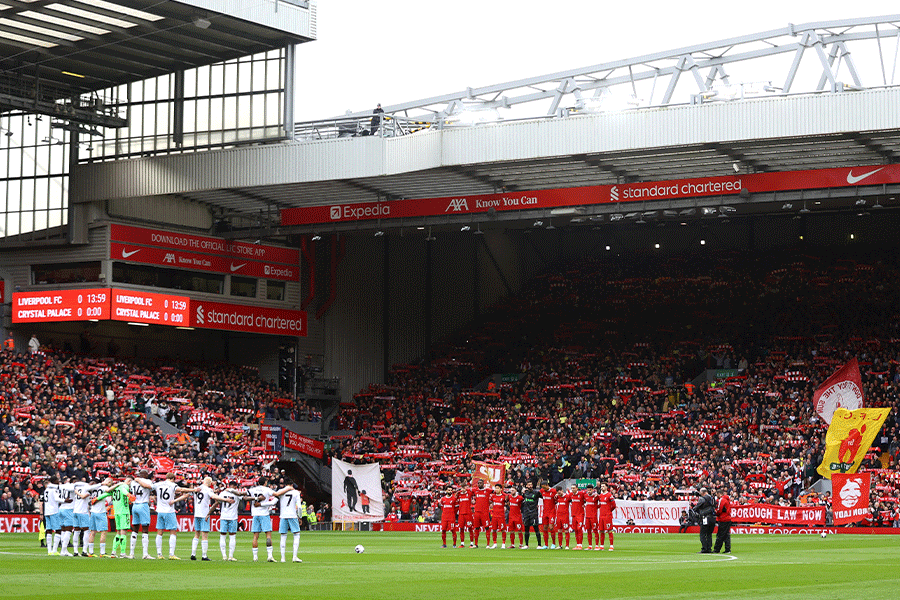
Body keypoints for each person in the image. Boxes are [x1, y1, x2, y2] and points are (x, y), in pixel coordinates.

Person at [191, 476, 234, 561]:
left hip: (196, 514)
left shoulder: (197, 488)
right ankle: (204, 555)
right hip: (204, 514)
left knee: (196, 534)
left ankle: (193, 553)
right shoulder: (208, 490)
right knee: (204, 535)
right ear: (209, 482)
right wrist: (225, 499)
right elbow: (214, 497)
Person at [153, 473, 193, 559]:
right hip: (169, 511)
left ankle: (159, 554)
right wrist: (192, 490)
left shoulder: (158, 484)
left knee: (159, 532)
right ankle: (171, 554)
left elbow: (149, 486)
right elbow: (181, 489)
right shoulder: (173, 485)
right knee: (173, 532)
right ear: (173, 479)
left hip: (159, 511)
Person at [92, 477, 134, 558]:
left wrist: (97, 498)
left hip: (116, 512)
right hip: (124, 512)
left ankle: (113, 552)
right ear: (129, 481)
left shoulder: (115, 488)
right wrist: (129, 495)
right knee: (123, 532)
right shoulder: (124, 486)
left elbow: (106, 494)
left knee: (118, 532)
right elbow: (124, 491)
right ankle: (122, 553)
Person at [248, 478, 278, 562]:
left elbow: (245, 496)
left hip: (255, 514)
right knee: (268, 535)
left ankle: (255, 557)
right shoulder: (267, 489)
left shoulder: (252, 489)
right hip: (264, 514)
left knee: (255, 536)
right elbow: (273, 500)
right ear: (265, 482)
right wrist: (277, 498)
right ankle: (270, 556)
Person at [129, 471, 155, 559]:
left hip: (135, 505)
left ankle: (131, 553)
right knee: (145, 529)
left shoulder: (133, 482)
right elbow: (150, 487)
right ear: (146, 475)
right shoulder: (148, 481)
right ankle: (145, 553)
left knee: (135, 529)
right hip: (143, 504)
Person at [277, 484, 303, 563]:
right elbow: (299, 506)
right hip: (292, 515)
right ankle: (294, 556)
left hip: (283, 515)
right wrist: (300, 516)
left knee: (283, 536)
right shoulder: (296, 492)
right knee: (296, 535)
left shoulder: (280, 491)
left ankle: (282, 558)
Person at [86, 477, 111, 557]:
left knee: (92, 532)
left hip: (93, 511)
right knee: (104, 532)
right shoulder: (105, 488)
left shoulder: (95, 488)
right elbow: (109, 500)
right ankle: (102, 553)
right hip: (101, 512)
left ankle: (90, 552)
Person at [217, 482, 242, 562]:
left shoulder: (222, 493)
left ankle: (224, 556)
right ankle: (230, 556)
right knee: (232, 536)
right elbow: (243, 497)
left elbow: (217, 501)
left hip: (223, 516)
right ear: (234, 486)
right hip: (233, 517)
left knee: (222, 536)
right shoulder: (237, 494)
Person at [43, 475, 62, 555]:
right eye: (57, 480)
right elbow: (57, 499)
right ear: (55, 481)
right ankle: (54, 550)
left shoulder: (46, 489)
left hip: (47, 511)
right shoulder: (54, 489)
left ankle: (49, 551)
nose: (58, 481)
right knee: (58, 530)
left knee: (49, 530)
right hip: (54, 511)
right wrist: (65, 500)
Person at [694, 487, 716, 554]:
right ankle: (709, 548)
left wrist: (692, 509)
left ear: (702, 493)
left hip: (705, 518)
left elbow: (696, 507)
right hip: (712, 518)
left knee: (703, 534)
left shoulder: (702, 499)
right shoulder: (712, 498)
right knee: (709, 534)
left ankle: (704, 548)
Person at [521, 481, 542, 549]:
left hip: (534, 513)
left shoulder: (536, 493)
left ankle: (539, 545)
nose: (530, 486)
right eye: (528, 485)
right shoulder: (525, 493)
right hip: (526, 513)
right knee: (526, 529)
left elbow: (543, 497)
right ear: (526, 485)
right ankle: (526, 545)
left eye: (531, 484)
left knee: (536, 528)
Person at [470, 479, 491, 548]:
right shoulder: (475, 490)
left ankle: (488, 544)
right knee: (476, 528)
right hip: (477, 512)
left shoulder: (487, 490)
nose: (479, 484)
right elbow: (467, 490)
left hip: (485, 513)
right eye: (478, 483)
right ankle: (475, 544)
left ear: (483, 484)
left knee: (487, 528)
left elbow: (497, 491)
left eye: (480, 483)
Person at [597, 482, 616, 551]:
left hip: (607, 516)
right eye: (601, 486)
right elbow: (599, 505)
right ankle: (601, 545)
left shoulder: (609, 495)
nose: (602, 487)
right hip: (601, 515)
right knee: (601, 531)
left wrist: (609, 511)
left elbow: (613, 505)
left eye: (603, 486)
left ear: (606, 487)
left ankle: (611, 546)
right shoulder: (600, 496)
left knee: (609, 530)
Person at [487, 483, 507, 549]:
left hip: (501, 516)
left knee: (503, 530)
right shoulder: (493, 497)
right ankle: (495, 543)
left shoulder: (504, 496)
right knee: (494, 530)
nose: (496, 489)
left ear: (501, 489)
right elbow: (490, 502)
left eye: (498, 488)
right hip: (494, 516)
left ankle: (503, 543)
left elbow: (507, 498)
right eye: (495, 488)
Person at [713, 487, 732, 553]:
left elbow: (719, 510)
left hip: (723, 519)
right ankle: (727, 549)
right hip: (728, 518)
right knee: (726, 534)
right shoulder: (727, 499)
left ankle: (717, 549)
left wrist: (715, 513)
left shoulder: (722, 500)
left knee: (720, 534)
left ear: (719, 494)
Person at [506, 484, 525, 549]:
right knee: (511, 531)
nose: (512, 492)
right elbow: (508, 503)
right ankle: (512, 544)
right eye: (511, 491)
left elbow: (523, 502)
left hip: (518, 517)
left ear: (516, 491)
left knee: (519, 530)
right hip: (511, 517)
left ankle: (521, 544)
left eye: (513, 490)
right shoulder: (510, 497)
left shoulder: (520, 498)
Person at [540, 482, 557, 549]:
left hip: (552, 512)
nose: (543, 489)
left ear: (547, 485)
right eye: (542, 487)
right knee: (544, 528)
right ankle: (546, 544)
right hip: (545, 512)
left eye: (544, 487)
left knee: (551, 527)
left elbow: (558, 498)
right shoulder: (542, 491)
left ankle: (553, 544)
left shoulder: (553, 491)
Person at [554, 485, 572, 549]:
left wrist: (569, 491)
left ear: (562, 491)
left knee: (566, 530)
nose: (559, 494)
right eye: (558, 493)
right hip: (558, 516)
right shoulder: (557, 497)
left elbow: (572, 498)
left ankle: (567, 545)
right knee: (559, 530)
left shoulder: (567, 496)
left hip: (565, 516)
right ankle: (560, 545)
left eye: (560, 492)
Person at [569, 484, 586, 550]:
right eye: (572, 488)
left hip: (580, 514)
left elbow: (587, 498)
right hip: (574, 515)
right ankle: (577, 544)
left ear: (577, 488)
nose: (572, 489)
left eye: (573, 488)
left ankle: (580, 545)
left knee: (579, 528)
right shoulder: (571, 495)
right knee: (575, 529)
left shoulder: (581, 494)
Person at [582, 484, 599, 550]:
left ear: (593, 490)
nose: (589, 491)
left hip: (593, 516)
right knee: (588, 530)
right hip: (587, 516)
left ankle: (597, 545)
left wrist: (596, 508)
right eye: (588, 490)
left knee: (595, 530)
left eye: (590, 490)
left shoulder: (596, 496)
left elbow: (601, 502)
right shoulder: (585, 496)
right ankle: (590, 545)